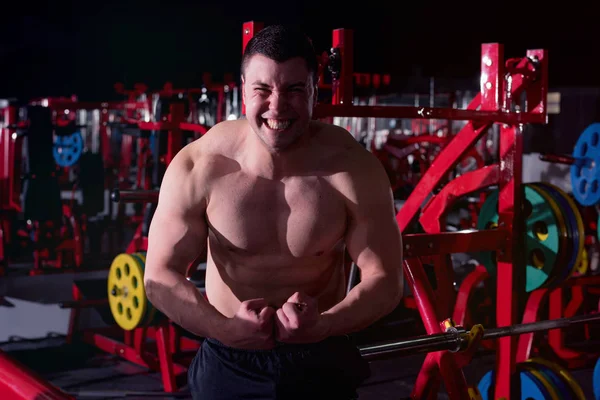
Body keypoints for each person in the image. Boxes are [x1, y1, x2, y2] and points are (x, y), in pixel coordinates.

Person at [143, 24, 404, 400]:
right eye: (262, 90)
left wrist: (326, 325)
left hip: (320, 356)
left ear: (315, 90)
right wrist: (225, 329)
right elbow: (159, 276)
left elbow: (385, 279)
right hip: (229, 358)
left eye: (295, 90)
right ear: (243, 90)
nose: (277, 107)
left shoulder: (353, 169)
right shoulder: (200, 165)